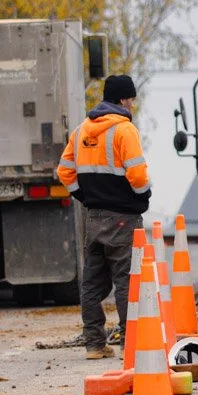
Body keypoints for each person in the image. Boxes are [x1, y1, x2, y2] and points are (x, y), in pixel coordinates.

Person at [57, 74, 151, 359]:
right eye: (131, 99)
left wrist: (84, 196)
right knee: (127, 281)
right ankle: (130, 344)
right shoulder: (125, 130)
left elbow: (64, 171)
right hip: (123, 218)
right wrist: (143, 196)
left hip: (94, 217)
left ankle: (95, 345)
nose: (132, 104)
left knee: (92, 283)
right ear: (123, 99)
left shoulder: (82, 130)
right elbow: (138, 176)